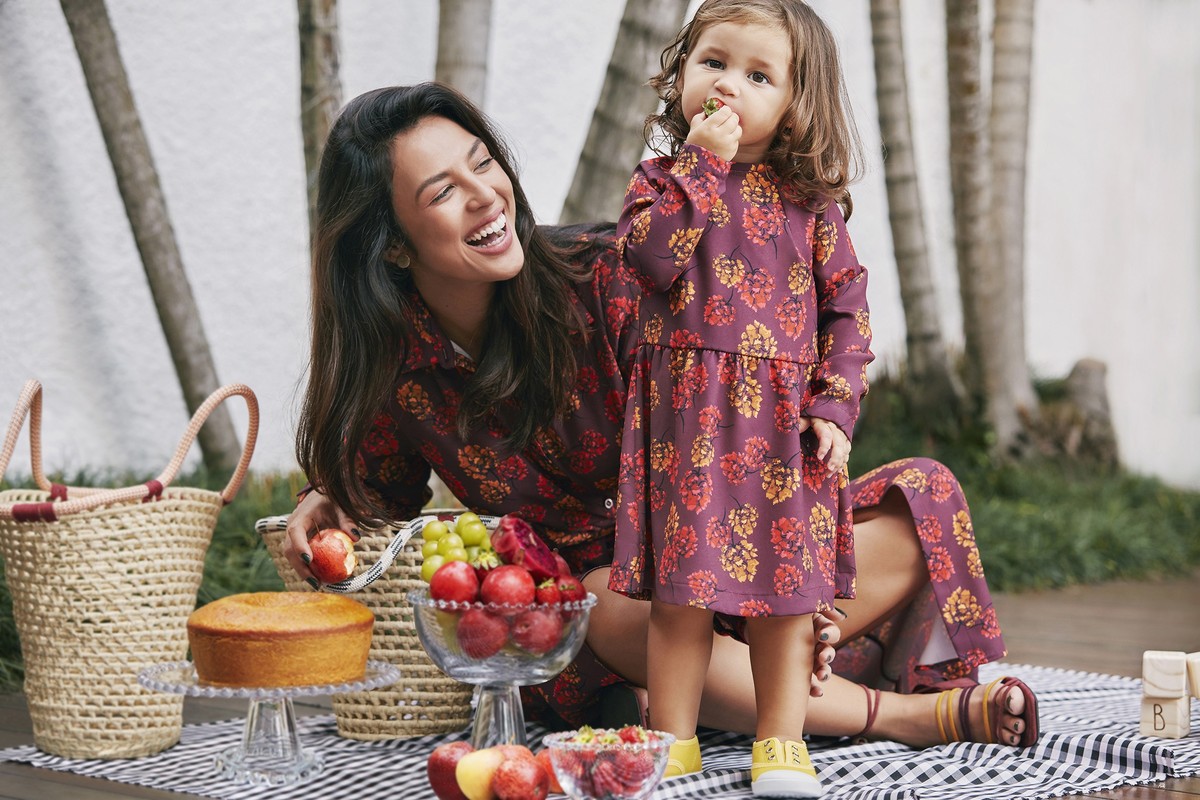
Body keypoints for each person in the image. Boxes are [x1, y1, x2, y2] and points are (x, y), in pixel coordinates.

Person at [282, 80, 1039, 779]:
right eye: (444, 191)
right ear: (392, 243)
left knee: (921, 499)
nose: (485, 195)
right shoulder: (402, 378)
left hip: (738, 542)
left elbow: (752, 408)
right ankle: (904, 717)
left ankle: (719, 690)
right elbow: (380, 500)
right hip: (623, 610)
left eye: (483, 164)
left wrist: (798, 564)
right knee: (608, 608)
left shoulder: (606, 273)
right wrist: (328, 496)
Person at [606, 1, 870, 794]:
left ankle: (780, 742)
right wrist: (701, 167)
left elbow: (848, 310)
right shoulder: (660, 183)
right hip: (686, 429)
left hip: (782, 432)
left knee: (784, 601)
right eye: (713, 62)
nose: (728, 85)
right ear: (682, 73)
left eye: (758, 76)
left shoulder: (811, 206)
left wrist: (835, 404)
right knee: (680, 598)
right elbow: (652, 261)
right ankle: (673, 740)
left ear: (795, 103)